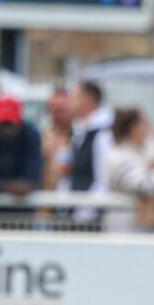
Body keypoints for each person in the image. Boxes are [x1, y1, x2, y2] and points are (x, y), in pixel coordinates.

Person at [69, 80, 113, 222]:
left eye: (74, 97)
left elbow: (103, 178)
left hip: (90, 217)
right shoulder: (80, 131)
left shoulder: (103, 134)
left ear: (87, 99)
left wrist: (85, 212)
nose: (69, 102)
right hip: (77, 210)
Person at [40, 87, 73, 191]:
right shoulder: (44, 134)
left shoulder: (79, 135)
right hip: (47, 196)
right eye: (54, 109)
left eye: (62, 109)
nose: (58, 114)